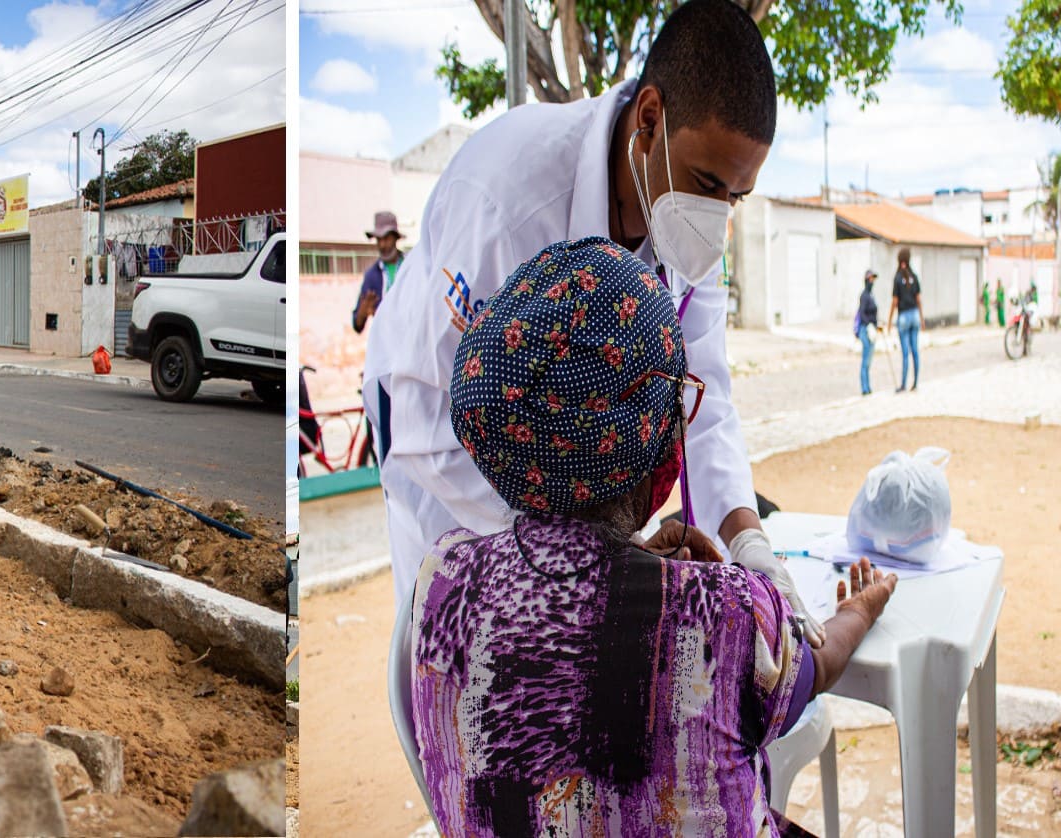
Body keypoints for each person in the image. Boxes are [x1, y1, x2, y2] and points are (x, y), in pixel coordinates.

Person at [361, 0, 823, 803]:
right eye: (710, 184)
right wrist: (598, 551)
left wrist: (746, 538)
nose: (719, 217)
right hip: (438, 454)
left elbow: (703, 397)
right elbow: (437, 413)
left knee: (599, 723)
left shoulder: (689, 230)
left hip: (585, 508)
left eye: (739, 197)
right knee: (472, 688)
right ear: (649, 118)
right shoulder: (506, 200)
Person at [410, 239, 898, 836]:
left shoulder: (443, 575)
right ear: (651, 440)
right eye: (676, 405)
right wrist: (859, 607)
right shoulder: (720, 609)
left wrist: (633, 556)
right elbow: (811, 673)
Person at [352, 211, 404, 333]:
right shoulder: (372, 275)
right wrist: (363, 312)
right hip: (385, 343)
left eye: (386, 239)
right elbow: (357, 325)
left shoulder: (410, 267)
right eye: (378, 240)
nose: (382, 245)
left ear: (395, 238)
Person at [888, 249, 922, 392]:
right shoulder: (914, 276)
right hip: (914, 315)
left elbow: (895, 301)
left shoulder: (897, 278)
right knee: (915, 351)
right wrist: (922, 318)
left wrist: (889, 321)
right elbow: (919, 300)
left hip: (903, 317)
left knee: (905, 353)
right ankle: (915, 383)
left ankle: (903, 384)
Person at [856, 269, 880, 395]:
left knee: (869, 360)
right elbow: (862, 313)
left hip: (872, 330)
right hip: (866, 330)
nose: (872, 282)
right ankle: (864, 388)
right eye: (870, 279)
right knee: (865, 360)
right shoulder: (864, 296)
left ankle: (868, 386)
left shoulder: (871, 295)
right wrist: (870, 324)